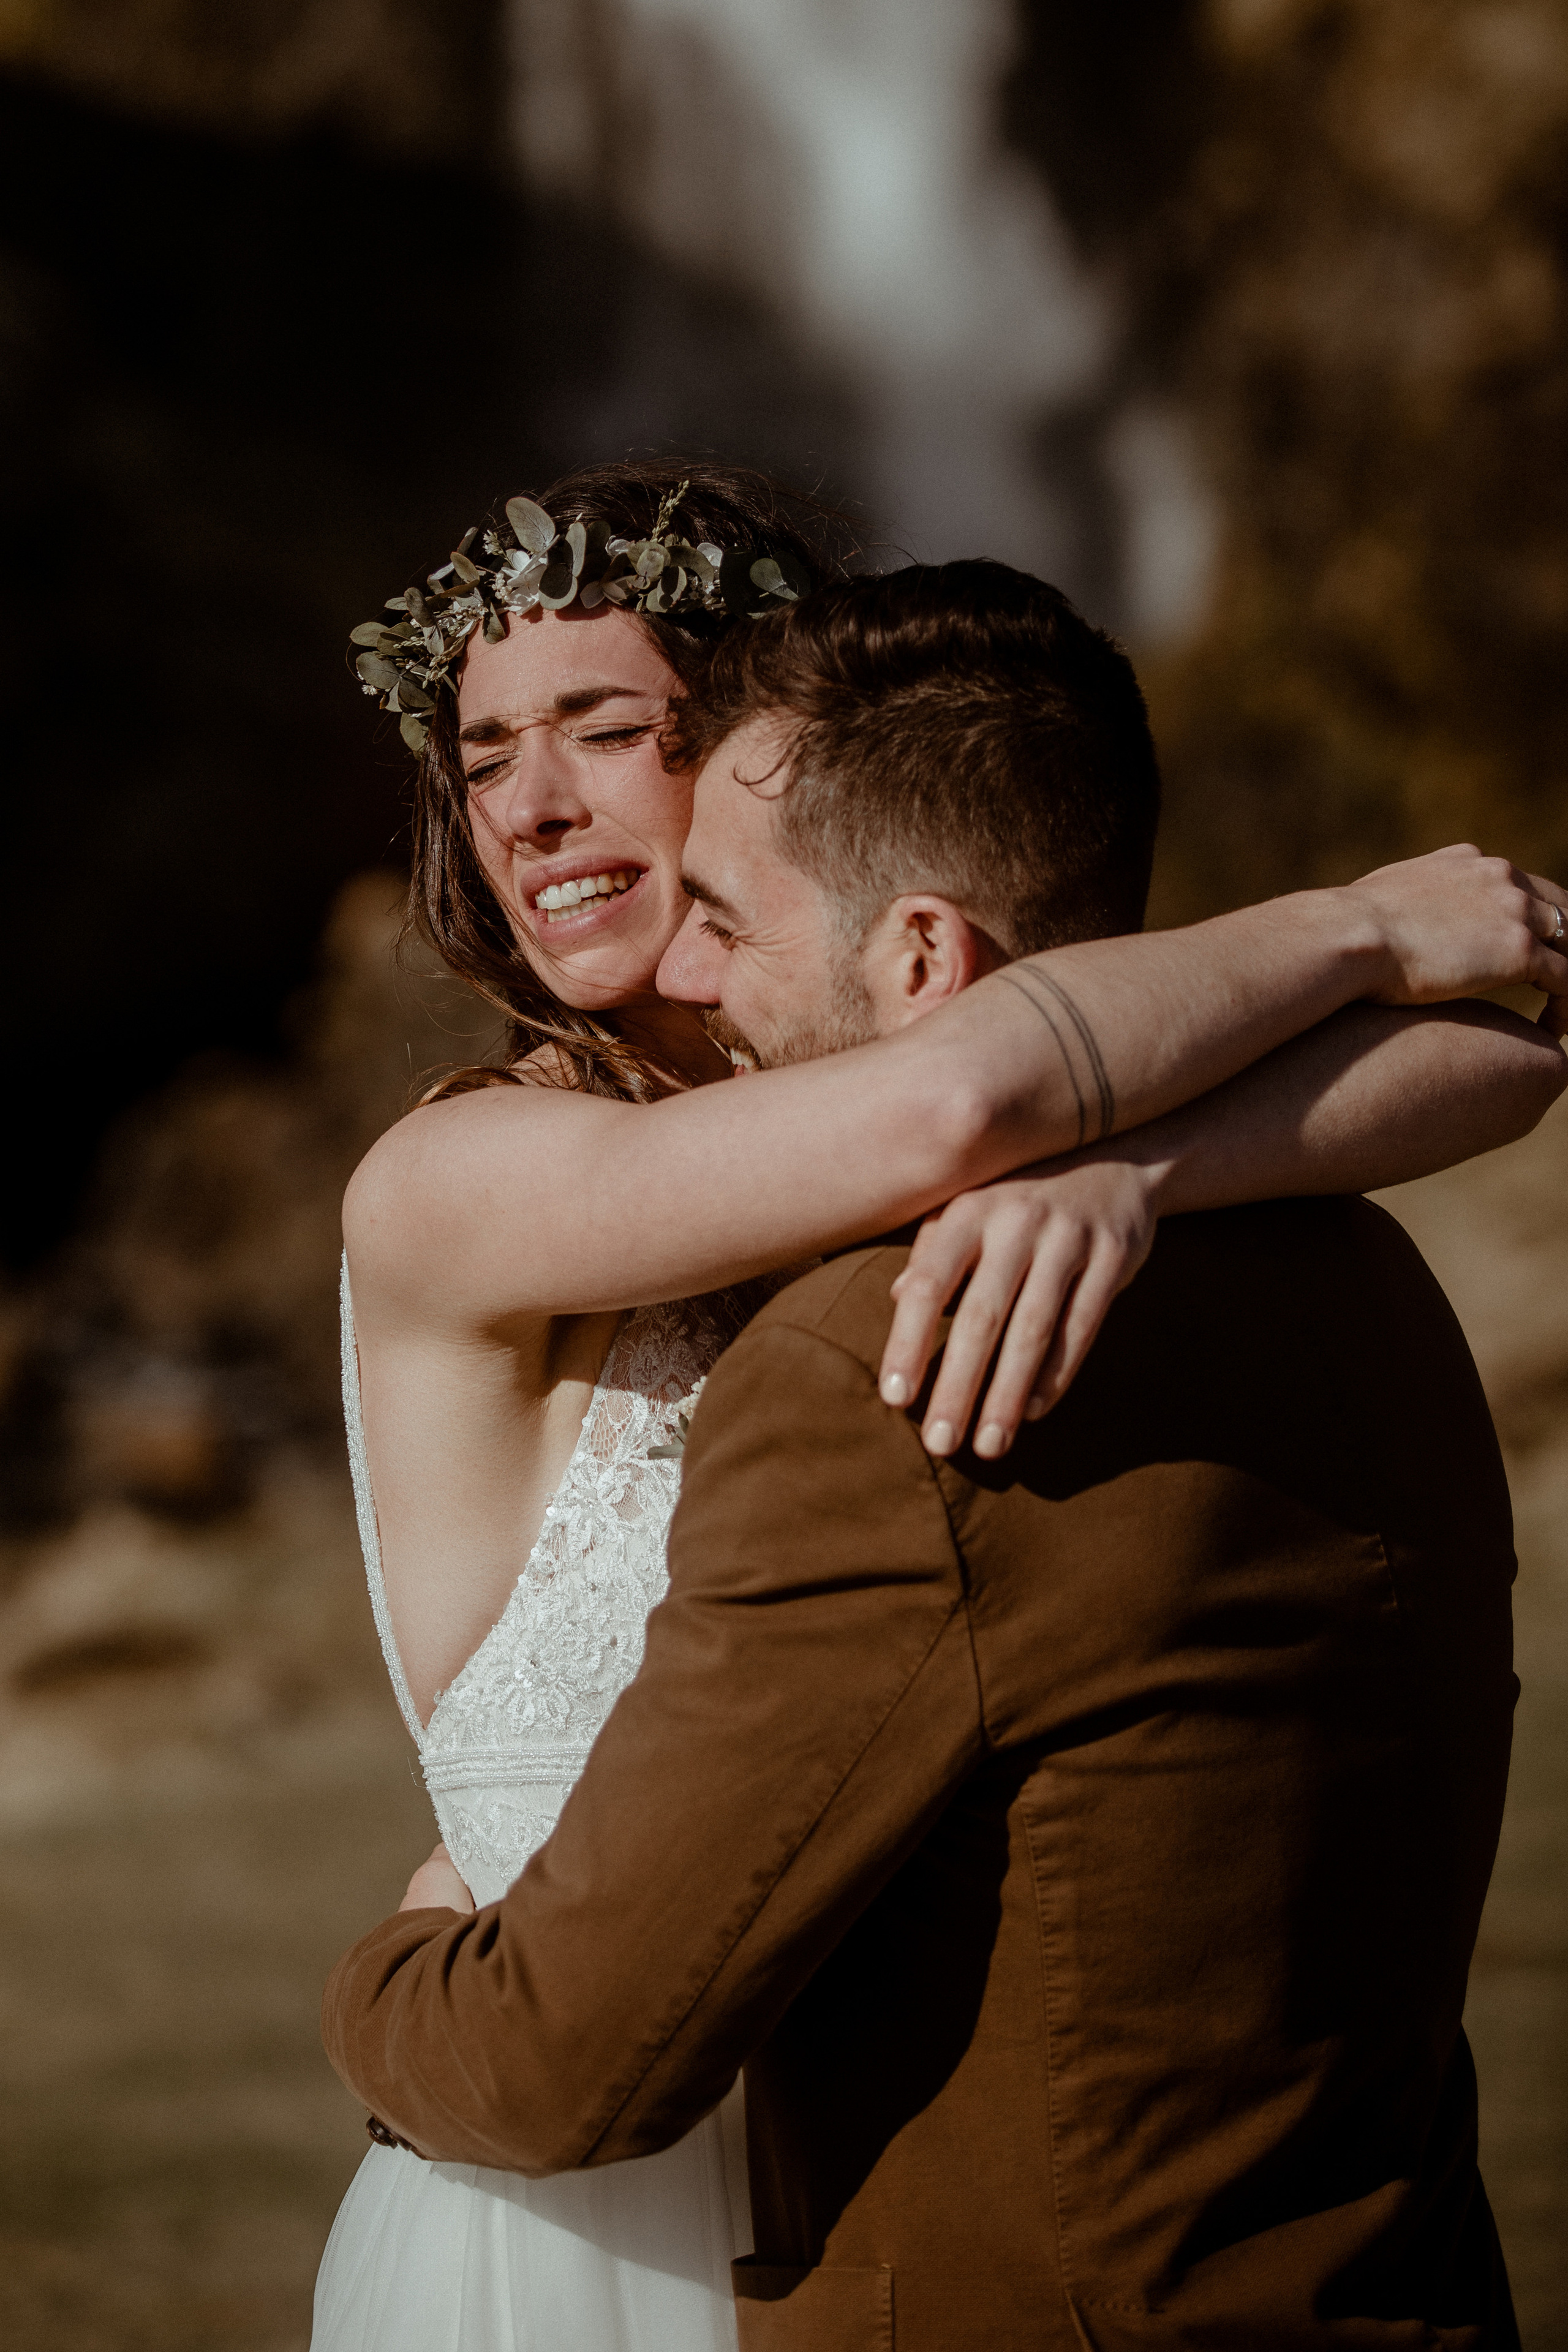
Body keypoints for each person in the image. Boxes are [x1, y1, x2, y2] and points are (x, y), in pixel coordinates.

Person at [314, 477, 1566, 2352]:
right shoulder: (463, 1181)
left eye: (603, 729)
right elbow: (947, 1107)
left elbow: (1505, 1053)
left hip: (880, 2155)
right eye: (483, 750)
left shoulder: (977, 1082)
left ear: (752, 754)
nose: (528, 806)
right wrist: (1366, 917)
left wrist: (1138, 1174)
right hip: (570, 2190)